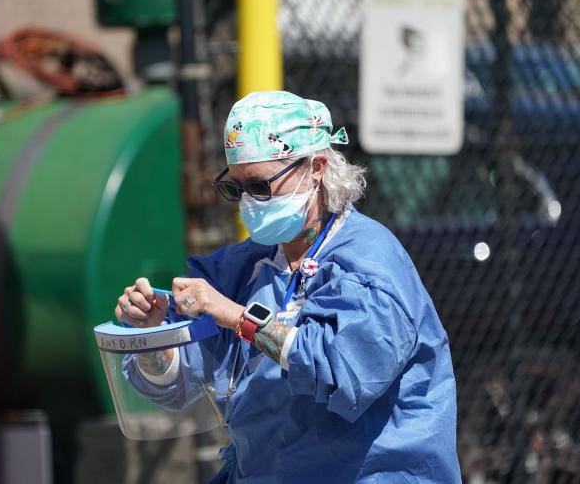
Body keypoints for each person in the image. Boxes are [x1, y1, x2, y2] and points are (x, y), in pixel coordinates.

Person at [114, 91, 461, 483]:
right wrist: (153, 335)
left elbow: (343, 373)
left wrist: (237, 318)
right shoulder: (244, 267)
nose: (248, 201)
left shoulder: (369, 264)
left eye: (261, 187)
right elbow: (179, 381)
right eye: (236, 187)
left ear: (317, 167)